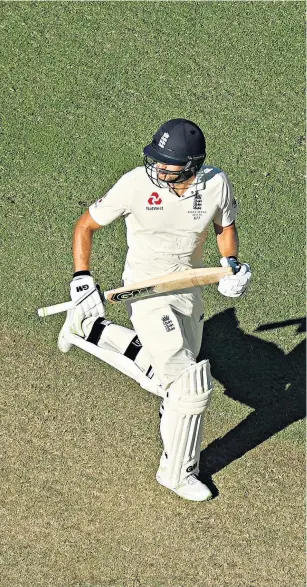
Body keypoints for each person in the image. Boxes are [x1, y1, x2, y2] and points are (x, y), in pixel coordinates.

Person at [58, 118, 251, 501]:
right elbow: (85, 226)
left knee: (170, 378)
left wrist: (231, 264)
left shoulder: (216, 184)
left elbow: (224, 227)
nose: (158, 168)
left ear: (193, 165)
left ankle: (88, 329)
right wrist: (82, 278)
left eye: (169, 164)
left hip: (188, 286)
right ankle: (176, 472)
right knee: (188, 387)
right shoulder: (134, 185)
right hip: (145, 289)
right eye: (156, 160)